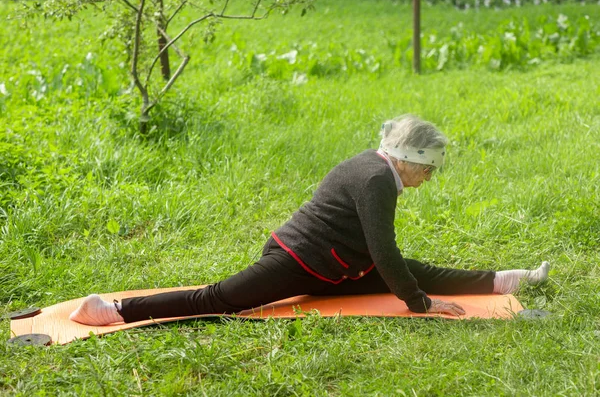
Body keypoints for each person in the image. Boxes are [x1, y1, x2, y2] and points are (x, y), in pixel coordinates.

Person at [70, 115, 550, 326]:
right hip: (299, 262)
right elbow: (383, 251)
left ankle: (506, 280)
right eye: (428, 167)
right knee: (222, 299)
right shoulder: (376, 180)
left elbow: (384, 256)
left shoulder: (376, 165)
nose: (429, 177)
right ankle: (114, 309)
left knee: (411, 270)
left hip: (338, 265)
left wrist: (412, 287)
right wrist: (420, 304)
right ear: (407, 158)